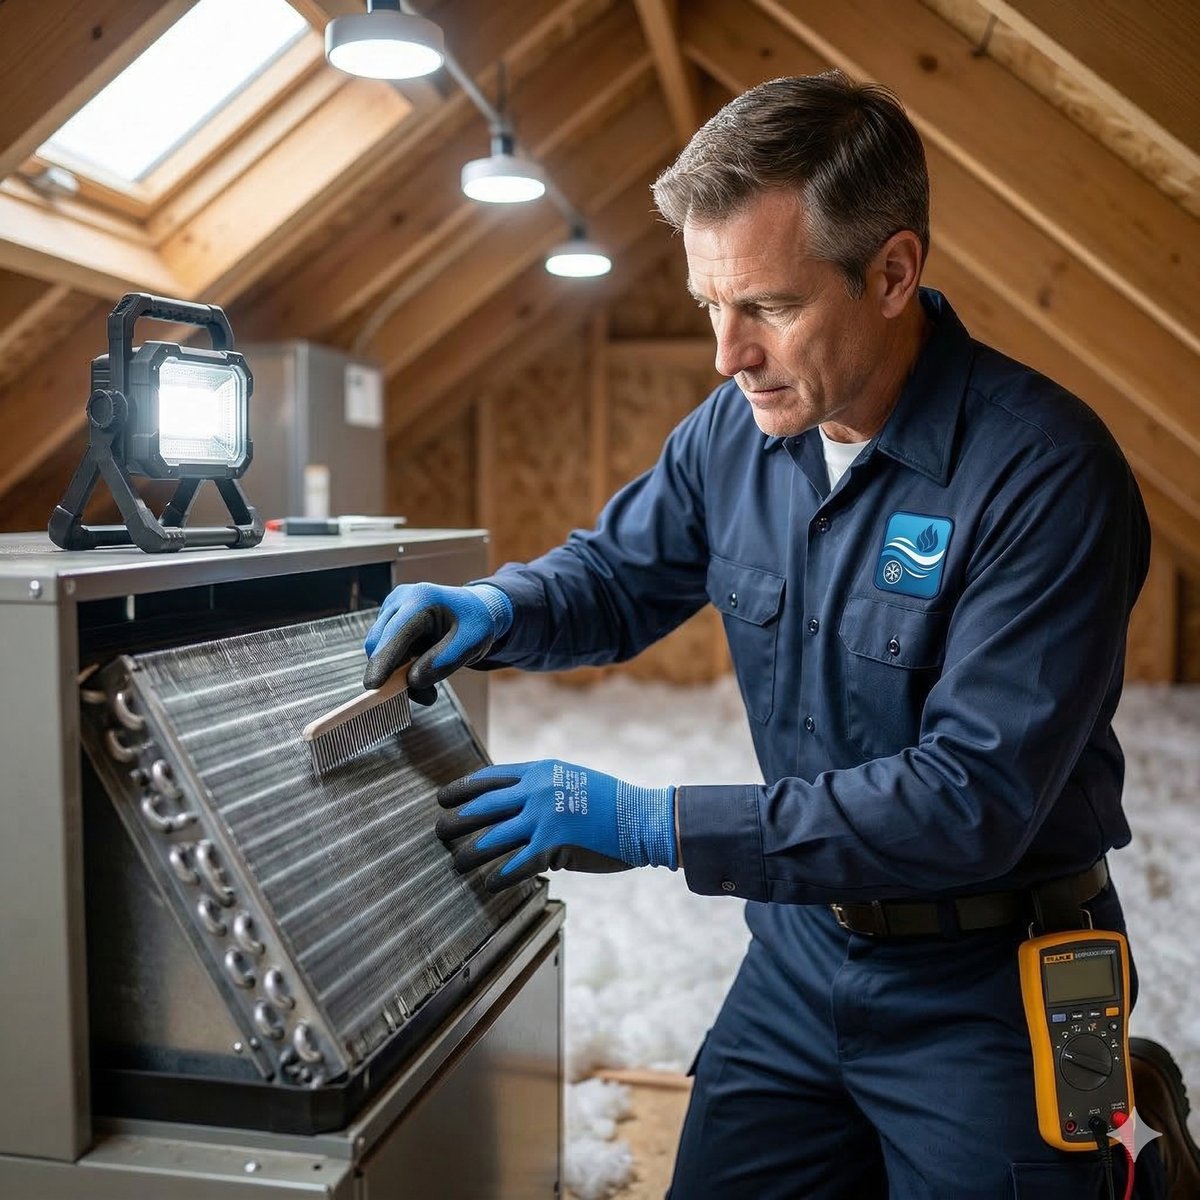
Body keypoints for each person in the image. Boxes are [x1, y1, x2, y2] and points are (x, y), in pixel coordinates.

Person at [363, 72, 1172, 1199]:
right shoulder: (736, 434)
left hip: (989, 978)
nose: (725, 353)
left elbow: (968, 800)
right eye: (709, 305)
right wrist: (497, 608)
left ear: (892, 273)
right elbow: (617, 572)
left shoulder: (1043, 474)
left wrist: (654, 823)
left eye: (770, 308)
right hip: (801, 955)